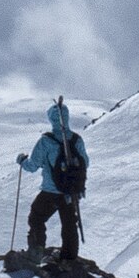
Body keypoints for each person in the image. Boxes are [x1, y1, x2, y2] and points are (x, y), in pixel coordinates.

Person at [19, 98, 88, 262]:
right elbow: (86, 162)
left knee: (36, 218)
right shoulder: (76, 140)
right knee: (69, 225)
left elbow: (32, 165)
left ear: (51, 119)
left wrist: (21, 160)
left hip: (50, 191)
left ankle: (36, 252)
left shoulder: (46, 141)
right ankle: (69, 258)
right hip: (71, 192)